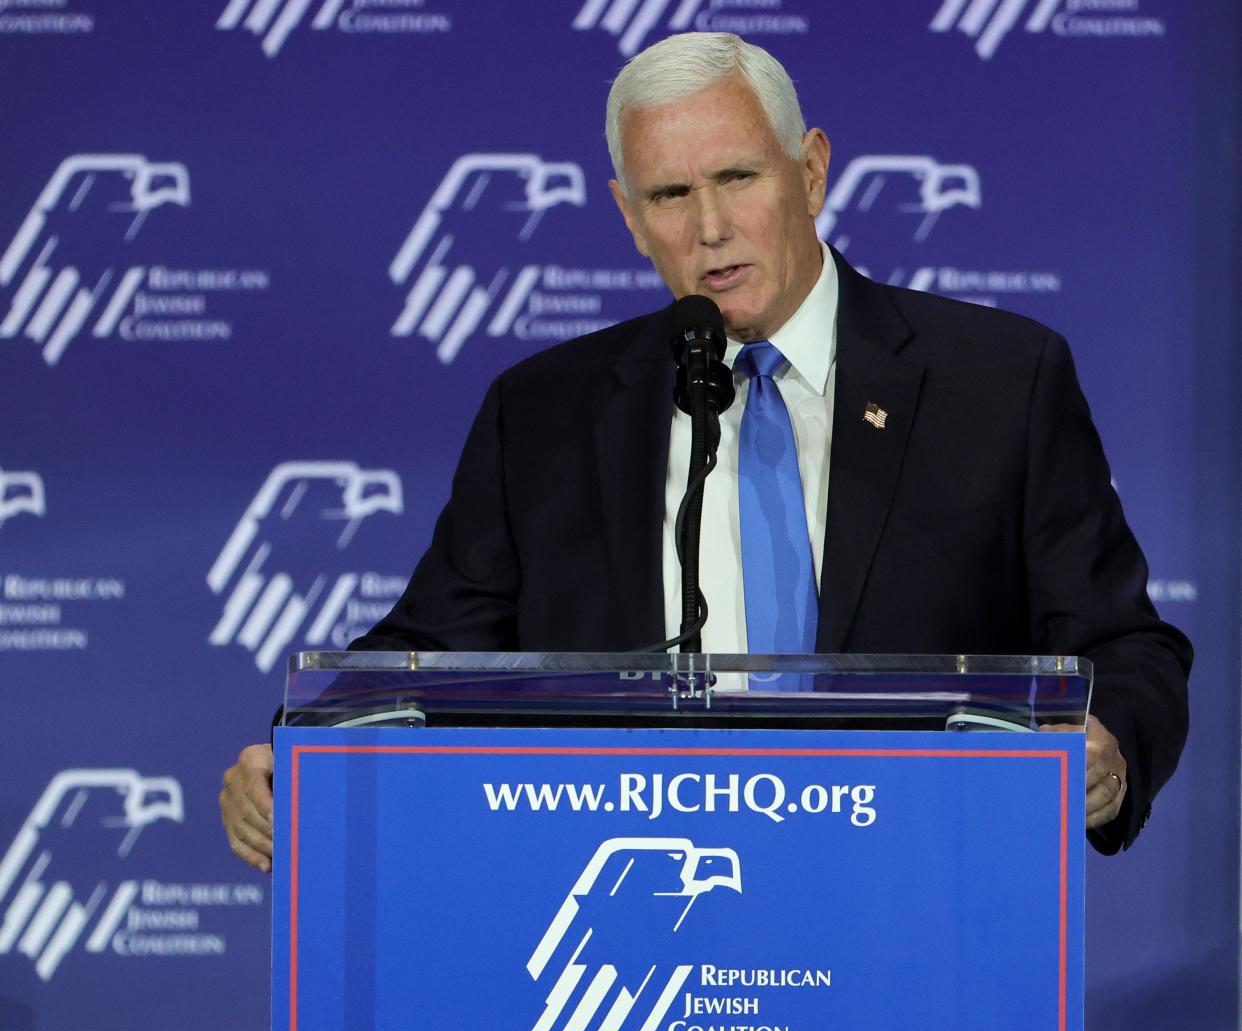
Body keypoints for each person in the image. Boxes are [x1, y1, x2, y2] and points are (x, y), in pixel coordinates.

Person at [220, 32, 1190, 872]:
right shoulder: (547, 415)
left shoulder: (997, 382)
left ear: (810, 171)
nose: (711, 228)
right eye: (671, 194)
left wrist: (1106, 748)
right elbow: (428, 658)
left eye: (737, 177)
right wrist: (297, 752)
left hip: (919, 904)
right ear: (629, 215)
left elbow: (1126, 644)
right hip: (650, 923)